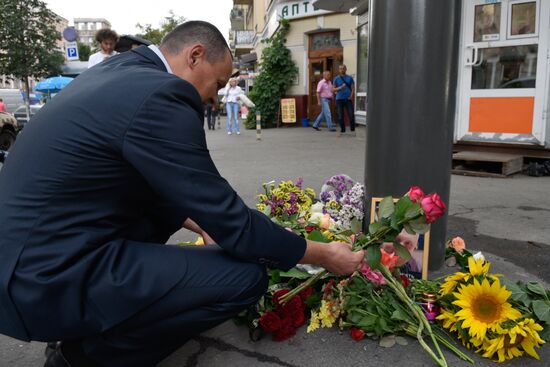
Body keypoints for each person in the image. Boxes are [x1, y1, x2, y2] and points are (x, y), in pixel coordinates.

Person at [0, 21, 364, 367]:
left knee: (164, 214)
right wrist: (323, 253)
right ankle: (85, 356)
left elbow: (156, 186)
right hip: (44, 275)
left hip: (26, 256)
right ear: (194, 56)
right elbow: (233, 222)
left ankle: (87, 322)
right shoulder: (161, 94)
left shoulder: (123, 71)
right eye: (218, 84)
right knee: (244, 280)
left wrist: (204, 223)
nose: (214, 98)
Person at [333, 64, 356, 136]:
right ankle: (343, 130)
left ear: (346, 69)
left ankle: (352, 129)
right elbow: (333, 89)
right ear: (339, 70)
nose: (342, 70)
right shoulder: (336, 79)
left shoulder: (350, 78)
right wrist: (340, 88)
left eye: (343, 68)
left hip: (348, 99)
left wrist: (351, 96)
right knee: (340, 115)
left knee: (351, 114)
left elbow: (353, 88)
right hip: (339, 99)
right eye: (340, 69)